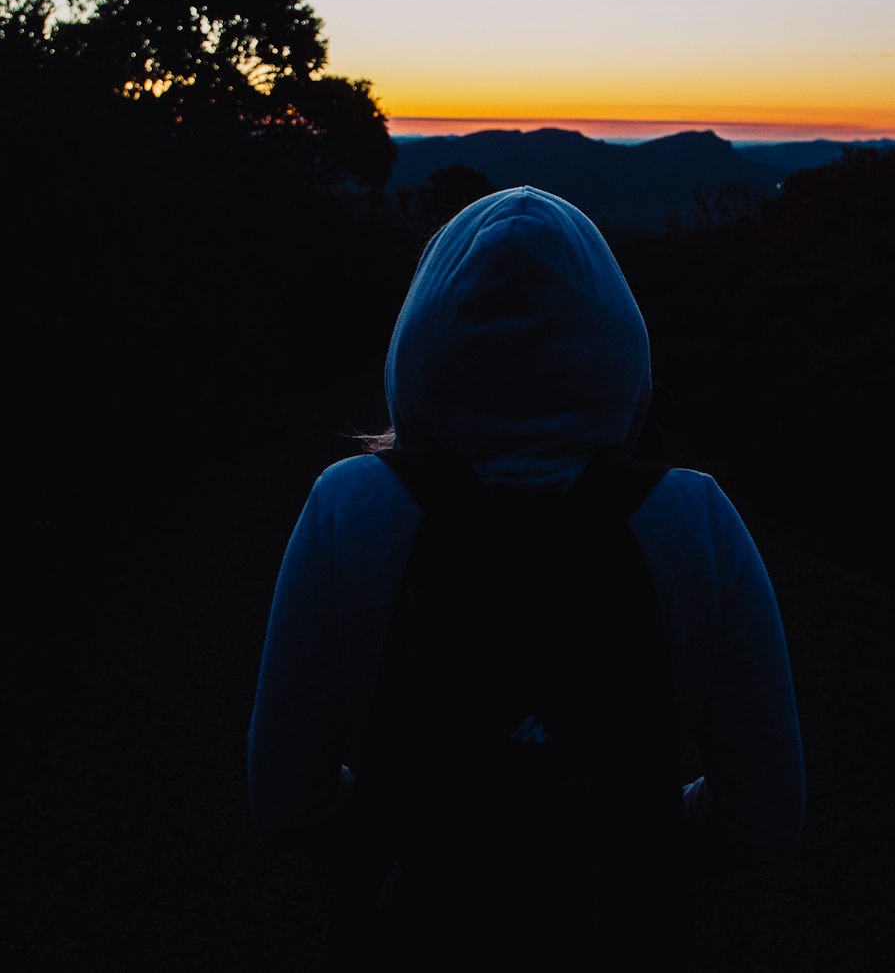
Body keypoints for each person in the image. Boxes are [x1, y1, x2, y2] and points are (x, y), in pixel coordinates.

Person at [248, 186, 805, 941]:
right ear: (619, 346)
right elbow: (765, 818)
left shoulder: (351, 507)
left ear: (420, 345)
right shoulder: (693, 518)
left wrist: (402, 837)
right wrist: (626, 839)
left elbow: (285, 794)